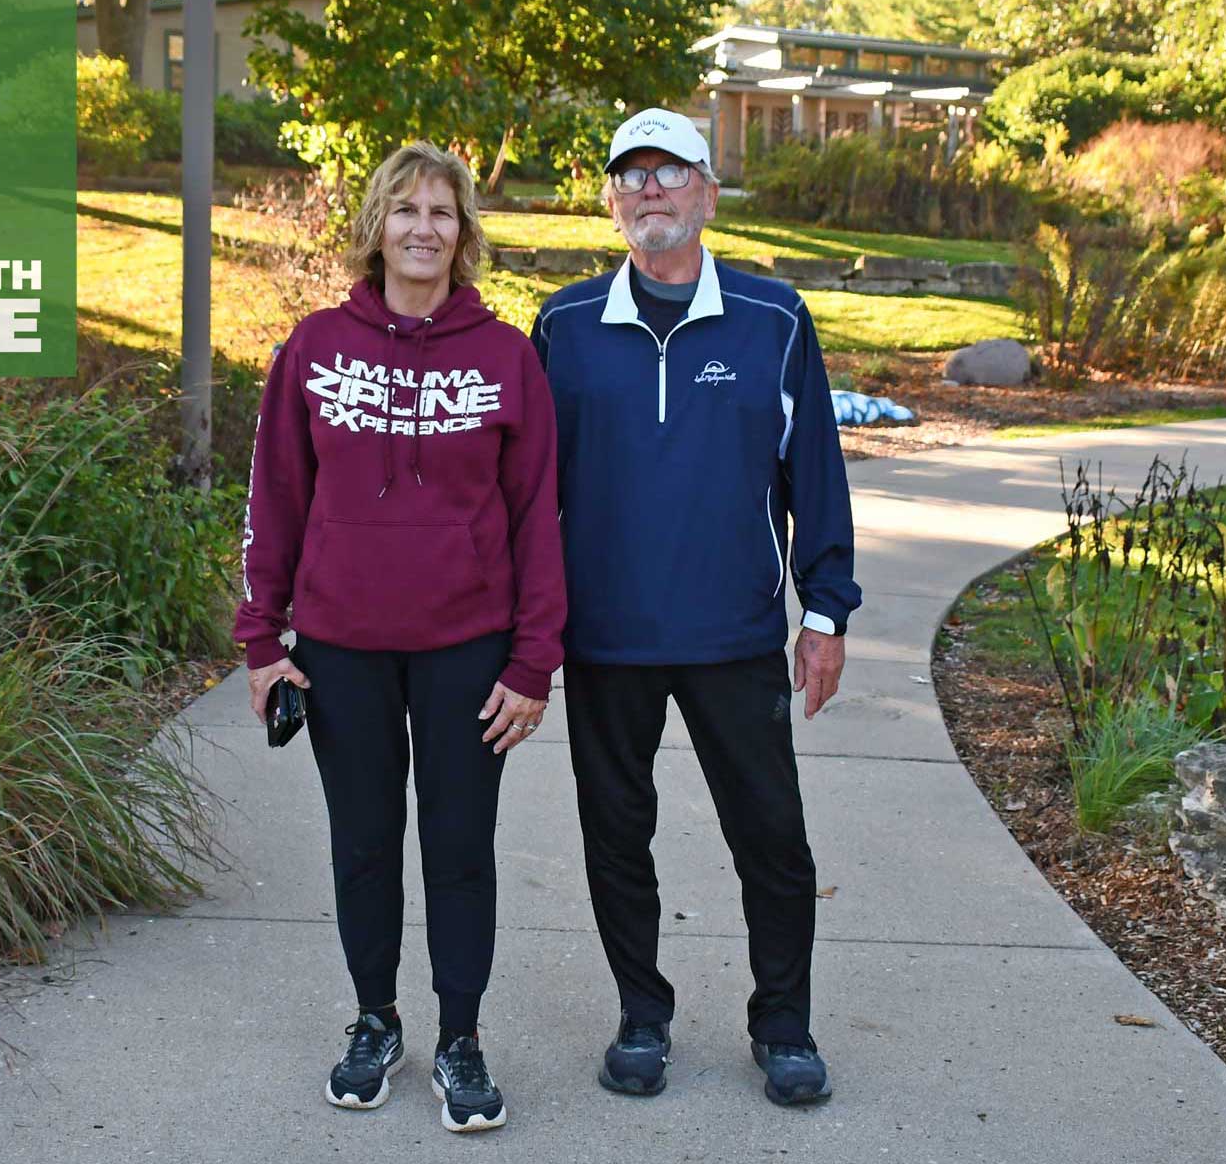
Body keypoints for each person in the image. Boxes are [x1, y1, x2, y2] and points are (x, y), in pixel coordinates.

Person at [529, 108, 859, 1107]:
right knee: (614, 833)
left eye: (669, 173)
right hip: (605, 638)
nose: (649, 191)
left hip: (734, 632)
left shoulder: (773, 319)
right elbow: (523, 490)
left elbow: (815, 474)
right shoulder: (563, 327)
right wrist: (525, 628)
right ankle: (641, 1014)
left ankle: (783, 1023)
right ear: (610, 202)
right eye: (630, 176)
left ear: (707, 193)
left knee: (770, 834)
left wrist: (825, 611)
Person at [234, 141, 565, 1133]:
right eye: (406, 209)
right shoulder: (313, 349)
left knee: (460, 846)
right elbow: (275, 500)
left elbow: (537, 517)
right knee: (365, 843)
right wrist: (261, 640)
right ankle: (375, 1019)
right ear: (375, 224)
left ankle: (459, 1035)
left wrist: (532, 661)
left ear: (464, 234)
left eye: (443, 212)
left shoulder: (505, 357)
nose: (424, 228)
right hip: (340, 643)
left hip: (468, 645)